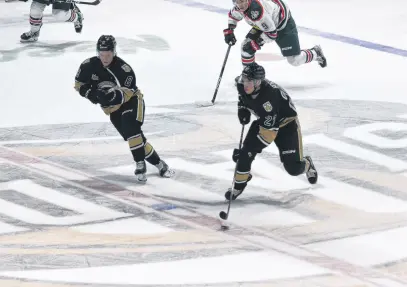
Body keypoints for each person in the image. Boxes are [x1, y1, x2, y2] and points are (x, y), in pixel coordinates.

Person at [74, 35, 174, 183]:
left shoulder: (123, 69)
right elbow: (79, 84)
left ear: (114, 52)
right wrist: (92, 94)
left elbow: (126, 94)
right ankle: (160, 164)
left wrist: (109, 96)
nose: (105, 58)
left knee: (130, 125)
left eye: (108, 54)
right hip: (113, 110)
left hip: (132, 102)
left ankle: (140, 163)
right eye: (102, 55)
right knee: (136, 140)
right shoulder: (88, 65)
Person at [225, 62, 318, 200]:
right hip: (265, 121)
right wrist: (242, 109)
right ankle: (239, 185)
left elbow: (268, 134)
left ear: (258, 83)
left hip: (286, 126)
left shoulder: (268, 101)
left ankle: (308, 164)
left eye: (250, 82)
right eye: (245, 80)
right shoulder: (241, 84)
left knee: (293, 168)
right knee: (245, 155)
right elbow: (242, 97)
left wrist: (249, 150)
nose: (246, 85)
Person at [223, 0, 327, 68]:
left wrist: (256, 44)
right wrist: (230, 30)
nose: (240, 5)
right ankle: (249, 76)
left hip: (282, 25)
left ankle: (316, 53)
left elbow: (271, 34)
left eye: (242, 1)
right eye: (237, 2)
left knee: (294, 60)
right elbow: (234, 16)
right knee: (246, 47)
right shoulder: (238, 7)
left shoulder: (257, 11)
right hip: (265, 22)